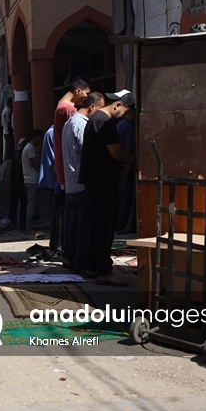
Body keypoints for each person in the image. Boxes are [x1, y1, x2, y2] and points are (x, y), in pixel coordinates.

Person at [81, 91, 135, 286]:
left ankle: (93, 266)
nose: (125, 117)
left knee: (98, 224)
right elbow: (117, 153)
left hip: (95, 180)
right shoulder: (104, 122)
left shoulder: (95, 119)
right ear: (118, 105)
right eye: (126, 112)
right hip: (103, 181)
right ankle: (104, 271)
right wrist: (131, 158)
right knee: (106, 225)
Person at [61, 92, 102, 276]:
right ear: (92, 107)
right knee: (83, 227)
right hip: (81, 183)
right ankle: (81, 263)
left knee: (74, 225)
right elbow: (88, 152)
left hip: (71, 184)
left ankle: (72, 259)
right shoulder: (81, 124)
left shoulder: (69, 123)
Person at [53, 77, 91, 189]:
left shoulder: (62, 106)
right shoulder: (68, 109)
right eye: (87, 94)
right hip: (71, 165)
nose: (87, 98)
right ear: (78, 91)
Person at [115, 97, 137, 234]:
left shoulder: (120, 124)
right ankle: (121, 225)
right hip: (128, 166)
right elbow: (129, 149)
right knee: (126, 197)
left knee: (122, 195)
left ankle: (119, 224)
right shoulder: (127, 127)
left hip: (120, 164)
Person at [21, 131, 44, 232]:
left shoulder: (29, 148)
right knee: (31, 205)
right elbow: (36, 164)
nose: (40, 141)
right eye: (40, 138)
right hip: (31, 180)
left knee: (31, 204)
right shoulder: (30, 149)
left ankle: (28, 225)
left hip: (29, 179)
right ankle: (28, 227)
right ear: (35, 137)